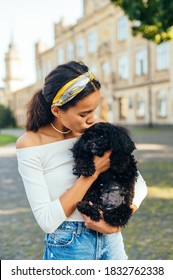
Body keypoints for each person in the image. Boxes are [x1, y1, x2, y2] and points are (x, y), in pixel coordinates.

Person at [16, 61, 147, 260]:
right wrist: (92, 172)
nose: (92, 119)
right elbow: (47, 221)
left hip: (111, 241)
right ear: (57, 111)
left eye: (94, 110)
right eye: (84, 114)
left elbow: (139, 183)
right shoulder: (31, 144)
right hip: (69, 246)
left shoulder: (98, 131)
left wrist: (118, 221)